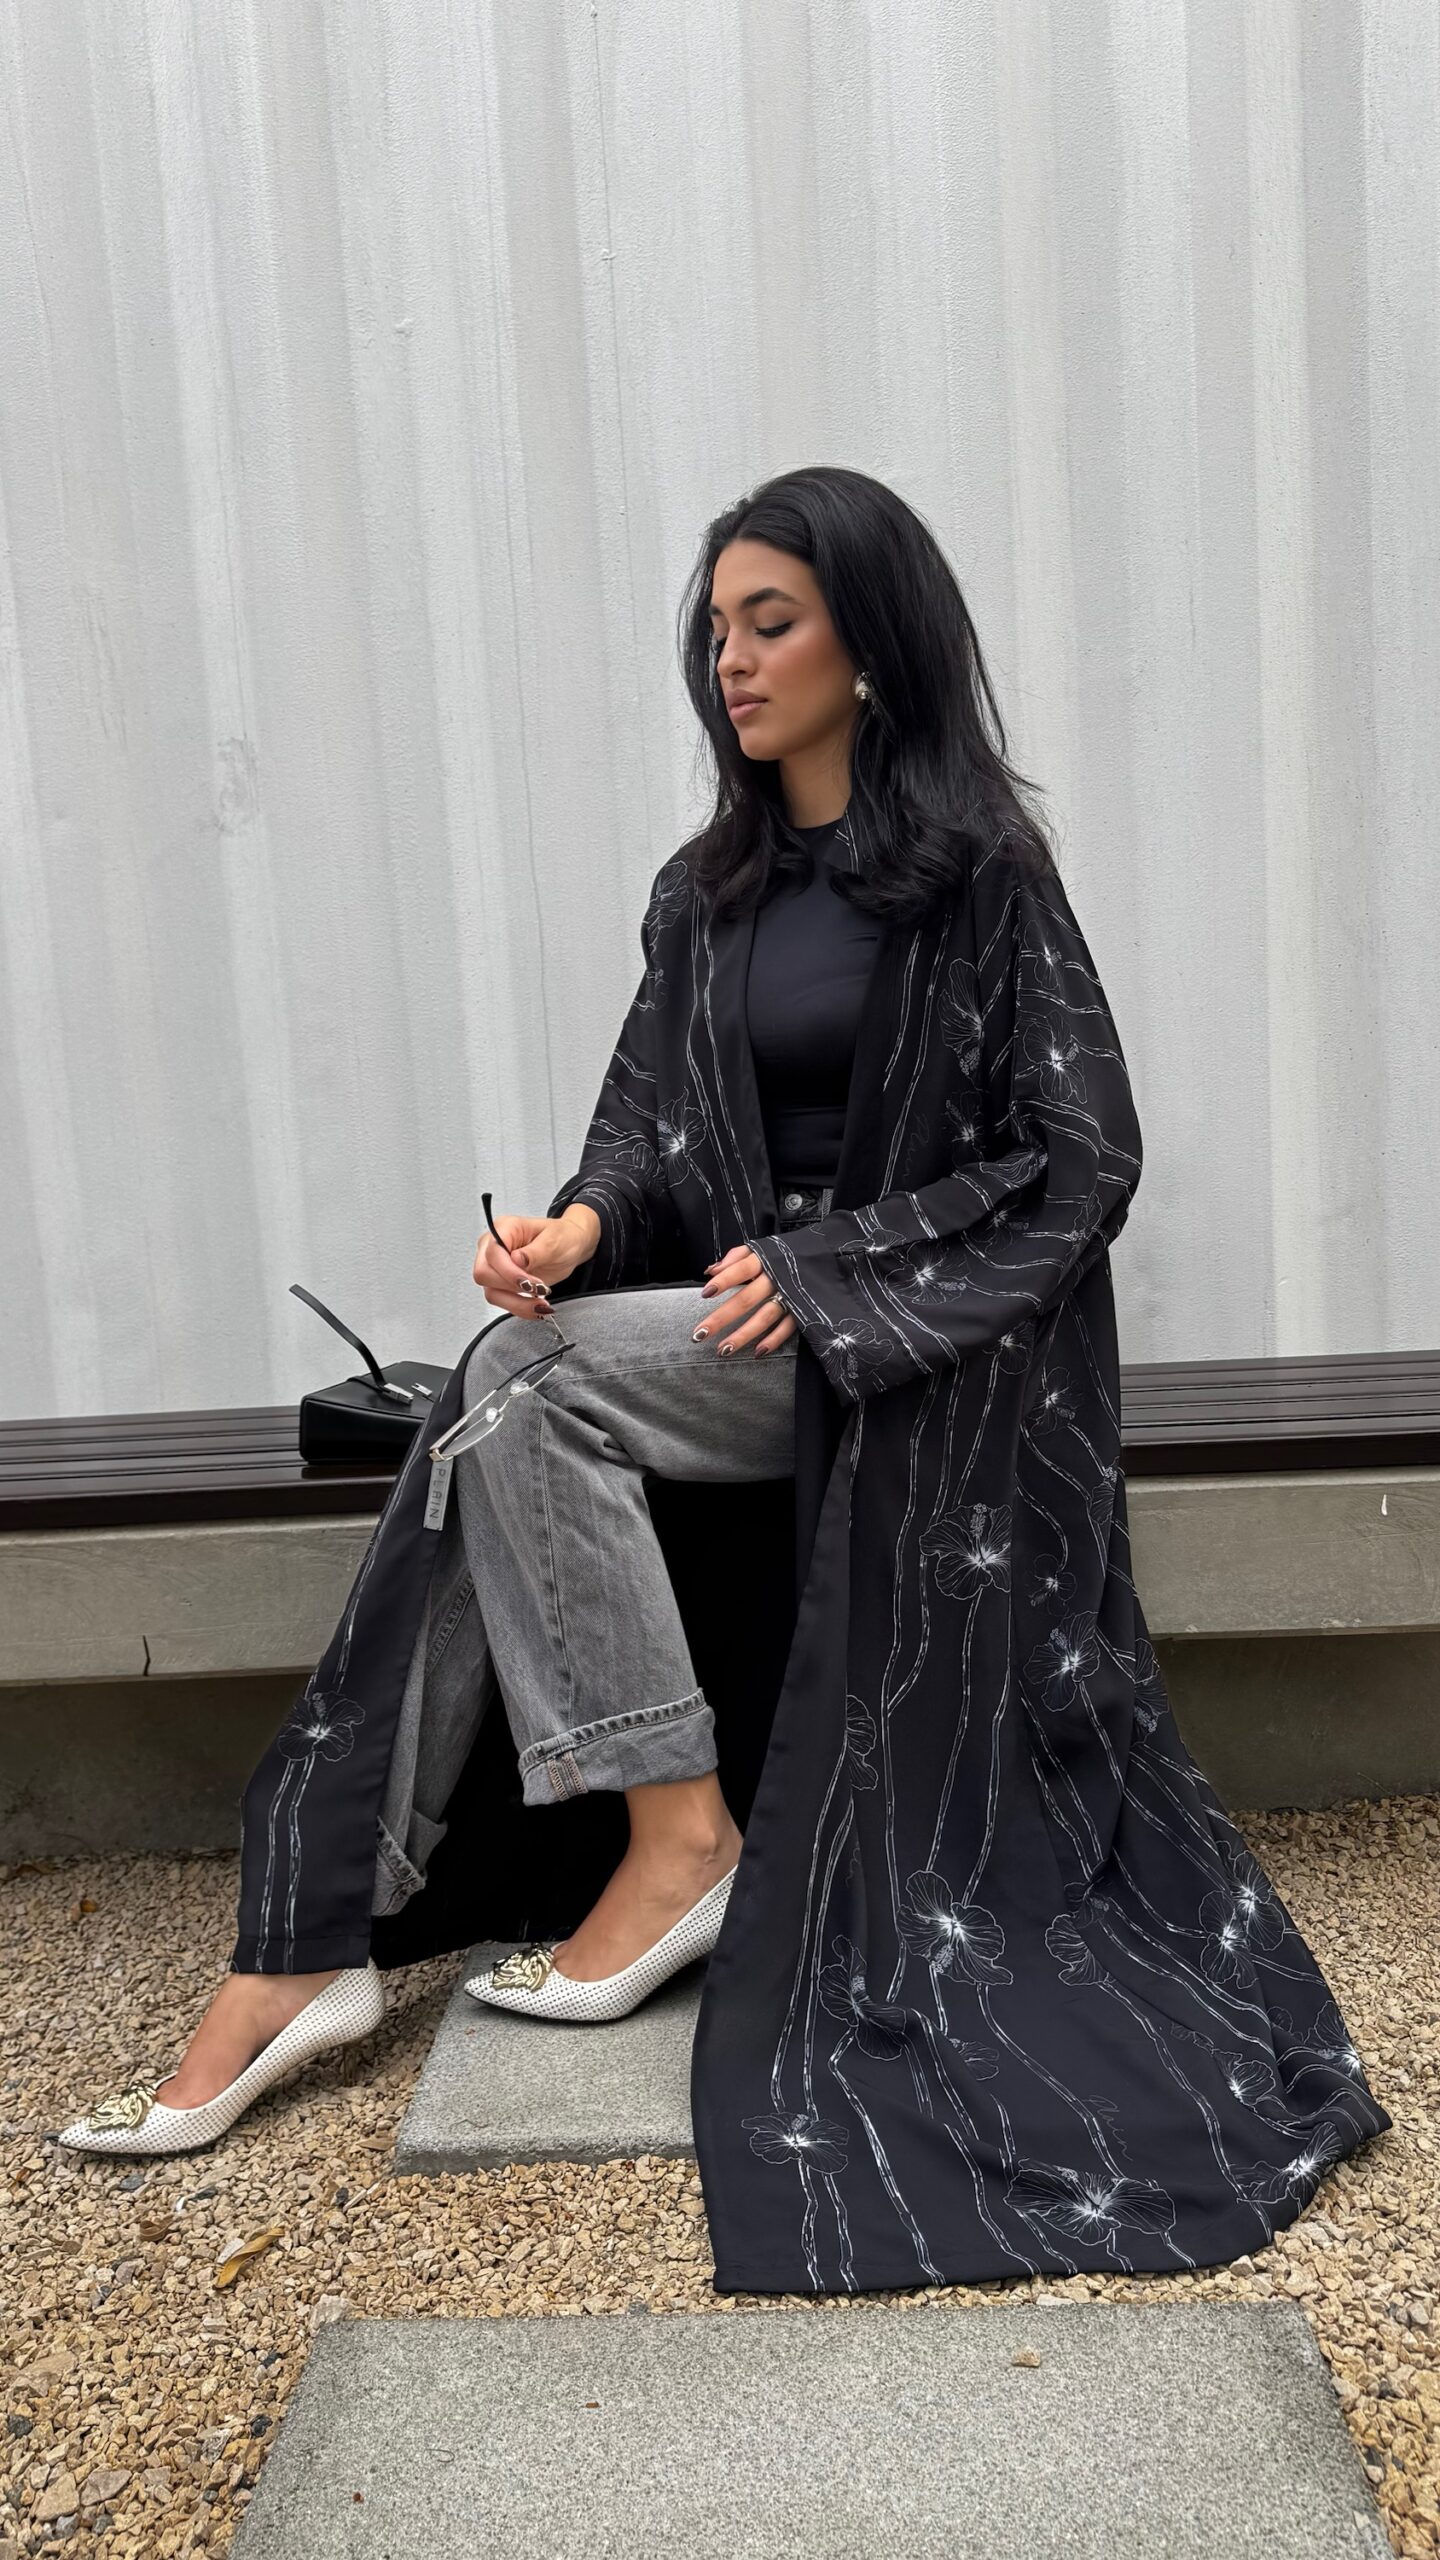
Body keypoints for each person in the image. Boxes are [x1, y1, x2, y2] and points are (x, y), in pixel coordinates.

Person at [59, 468, 1389, 2312]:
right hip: (760, 1347)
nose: (733, 661)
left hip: (932, 1368)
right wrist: (578, 1225)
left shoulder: (984, 880)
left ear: (871, 644)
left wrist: (845, 1268)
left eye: (773, 623)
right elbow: (649, 1133)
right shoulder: (709, 894)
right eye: (717, 629)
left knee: (513, 1394)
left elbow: (1083, 1153)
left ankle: (434, 1901)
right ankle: (439, 1902)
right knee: (510, 1378)